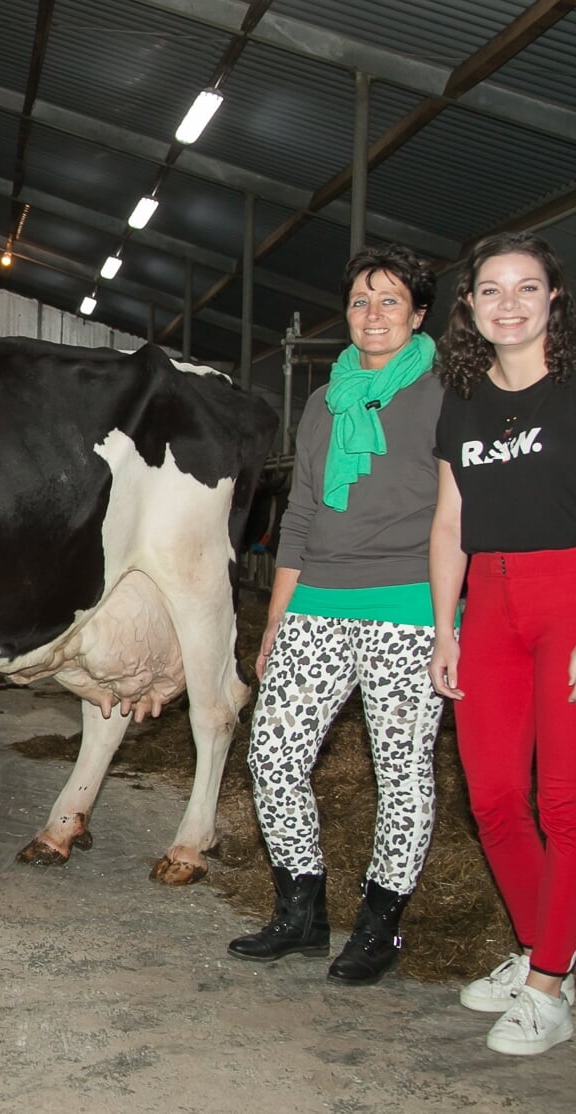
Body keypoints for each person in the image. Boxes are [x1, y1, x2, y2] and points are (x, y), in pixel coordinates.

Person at [428, 231, 576, 1056]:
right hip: (490, 599)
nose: (509, 304)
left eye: (527, 287)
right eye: (491, 290)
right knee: (491, 800)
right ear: (471, 307)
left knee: (564, 802)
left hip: (575, 599)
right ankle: (539, 951)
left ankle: (551, 988)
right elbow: (449, 522)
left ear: (555, 298)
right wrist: (445, 628)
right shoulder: (462, 397)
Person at [228, 246, 446, 987]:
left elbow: (468, 511)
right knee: (272, 755)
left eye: (391, 302)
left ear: (419, 314)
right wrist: (275, 625)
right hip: (317, 599)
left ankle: (381, 925)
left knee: (401, 770)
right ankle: (303, 911)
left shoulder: (451, 392)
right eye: (360, 301)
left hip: (409, 606)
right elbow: (300, 517)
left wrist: (454, 620)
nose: (373, 315)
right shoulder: (325, 403)